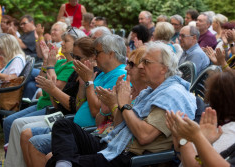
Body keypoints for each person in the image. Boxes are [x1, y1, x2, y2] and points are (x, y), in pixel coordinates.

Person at [45, 41, 196, 167]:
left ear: (164, 68)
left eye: (146, 62)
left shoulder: (172, 94)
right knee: (63, 125)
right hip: (114, 144)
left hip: (129, 157)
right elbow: (119, 126)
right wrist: (112, 107)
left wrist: (124, 105)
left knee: (54, 162)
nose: (141, 66)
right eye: (141, 62)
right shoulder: (151, 91)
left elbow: (144, 136)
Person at [3, 28, 86, 167]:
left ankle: (15, 161)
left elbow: (55, 88)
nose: (62, 43)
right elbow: (40, 82)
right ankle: (11, 161)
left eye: (66, 41)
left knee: (16, 123)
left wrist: (50, 66)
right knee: (10, 121)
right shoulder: (61, 62)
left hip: (53, 108)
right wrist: (46, 63)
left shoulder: (72, 66)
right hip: (44, 102)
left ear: (77, 44)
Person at [166, 70, 235, 167]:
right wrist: (181, 140)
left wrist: (185, 139)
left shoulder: (230, 130)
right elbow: (184, 158)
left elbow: (194, 165)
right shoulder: (213, 122)